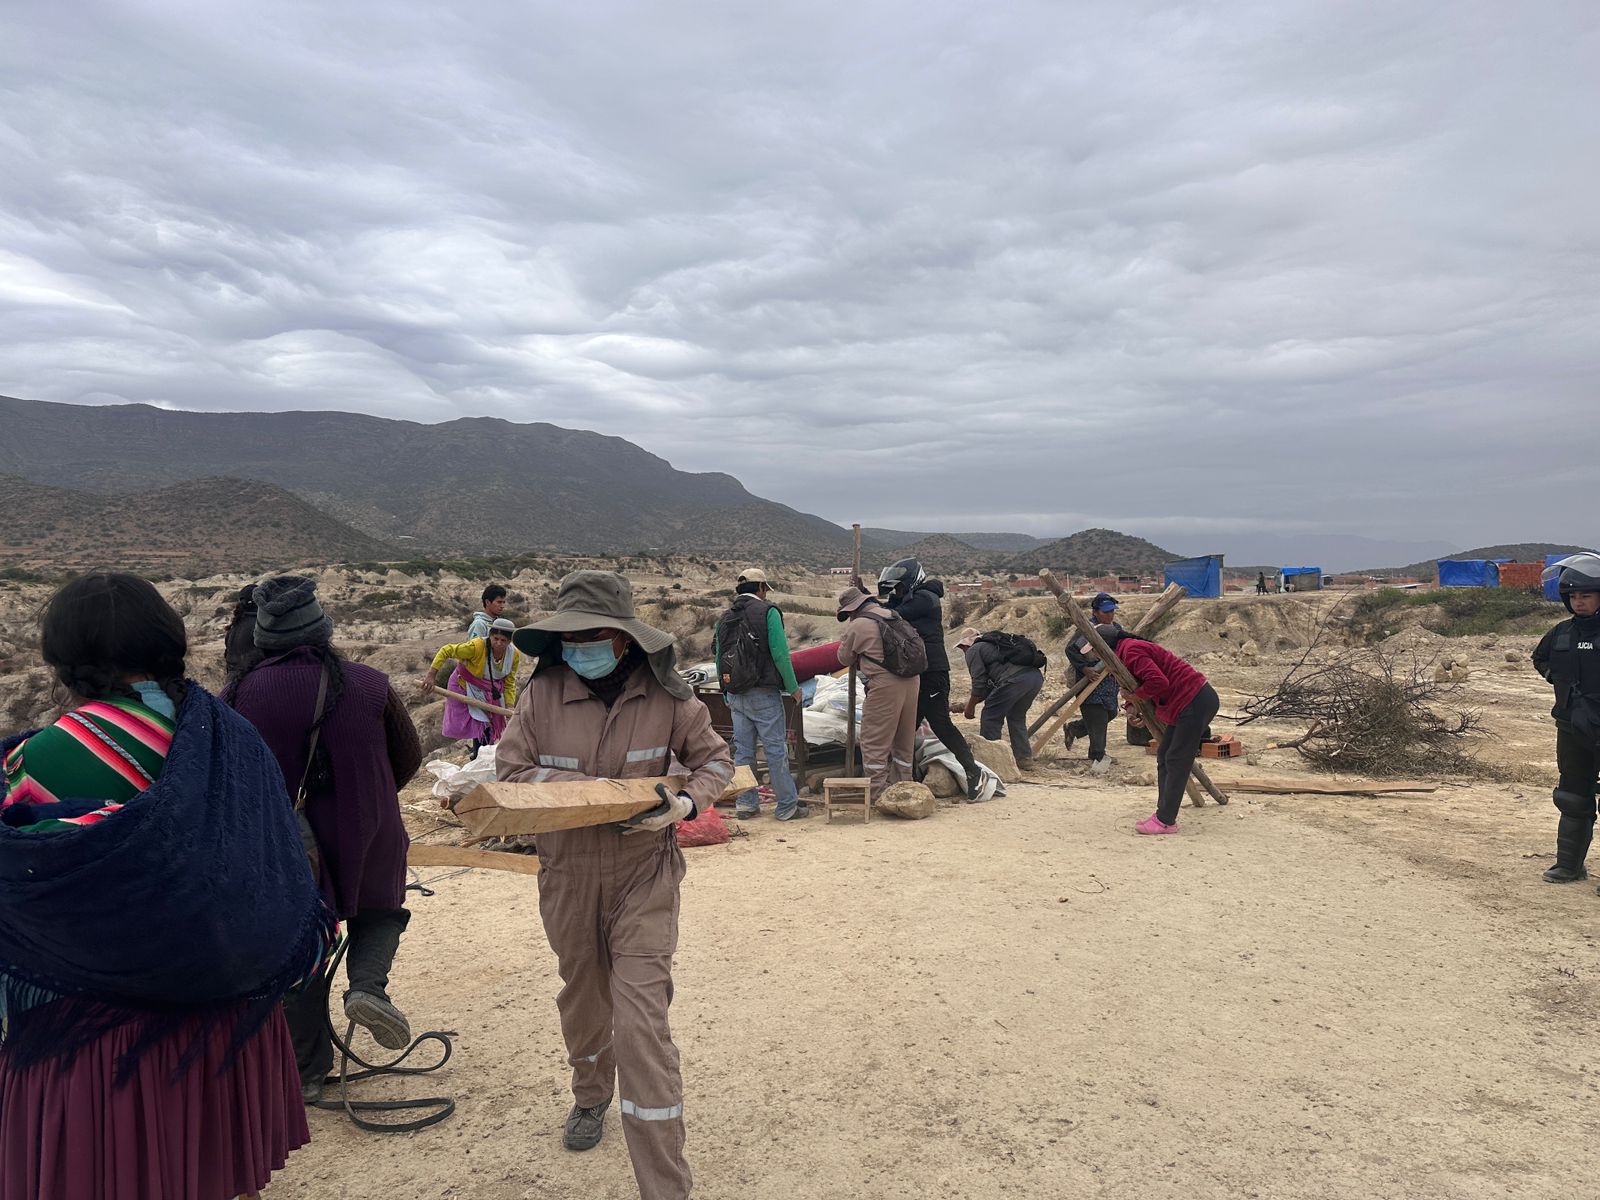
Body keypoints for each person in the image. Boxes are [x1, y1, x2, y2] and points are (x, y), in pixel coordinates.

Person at [0, 572, 332, 1200]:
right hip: (224, 1023)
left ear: (65, 661)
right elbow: (277, 869)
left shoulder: (36, 763)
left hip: (98, 1045)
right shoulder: (231, 741)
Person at [497, 571, 733, 1200]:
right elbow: (509, 770)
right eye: (570, 637)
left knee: (640, 1023)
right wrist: (579, 794)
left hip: (643, 875)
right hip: (568, 874)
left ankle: (665, 1185)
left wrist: (684, 804)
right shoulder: (541, 695)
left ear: (625, 639)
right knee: (583, 998)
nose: (581, 647)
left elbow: (716, 761)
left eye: (594, 636)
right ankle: (590, 1095)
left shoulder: (670, 698)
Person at [226, 575, 423, 1105]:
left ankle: (309, 1071)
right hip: (369, 832)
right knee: (381, 912)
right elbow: (409, 757)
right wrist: (372, 798)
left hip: (288, 846)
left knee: (303, 944)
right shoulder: (371, 684)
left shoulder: (241, 695)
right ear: (324, 630)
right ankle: (367, 988)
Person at [877, 558, 985, 800]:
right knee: (907, 727)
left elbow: (892, 615)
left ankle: (973, 771)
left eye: (900, 588)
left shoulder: (925, 598)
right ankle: (908, 778)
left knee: (939, 724)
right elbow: (893, 605)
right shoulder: (914, 597)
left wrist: (868, 605)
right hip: (919, 672)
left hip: (932, 673)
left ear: (911, 583)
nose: (898, 593)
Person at [1099, 627, 1219, 835]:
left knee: (1176, 758)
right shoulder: (1124, 654)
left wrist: (1137, 697)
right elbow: (1133, 685)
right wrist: (1131, 706)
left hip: (1194, 700)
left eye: (1094, 651)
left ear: (1104, 648)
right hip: (1187, 702)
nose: (1093, 656)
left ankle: (1166, 820)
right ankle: (1162, 815)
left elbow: (1158, 681)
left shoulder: (1132, 651)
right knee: (1166, 755)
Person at [713, 568, 808, 820]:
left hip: (735, 693)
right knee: (775, 749)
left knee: (743, 751)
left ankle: (746, 803)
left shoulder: (724, 618)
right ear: (762, 588)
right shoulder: (768, 612)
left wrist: (725, 690)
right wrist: (793, 687)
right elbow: (780, 654)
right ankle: (787, 806)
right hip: (763, 692)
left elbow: (718, 655)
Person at [1532, 552, 1600, 884]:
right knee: (1572, 797)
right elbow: (1540, 659)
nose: (1579, 601)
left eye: (1586, 595)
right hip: (1572, 729)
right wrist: (1562, 687)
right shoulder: (1560, 633)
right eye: (1573, 596)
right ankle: (1569, 866)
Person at [836, 586, 921, 799]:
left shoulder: (858, 625)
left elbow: (843, 659)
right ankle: (904, 784)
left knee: (875, 738)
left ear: (851, 609)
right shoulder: (893, 615)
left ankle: (877, 793)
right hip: (911, 680)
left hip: (884, 683)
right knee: (904, 736)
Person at [421, 617, 523, 758]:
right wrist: (431, 675)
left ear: (509, 641)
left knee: (491, 723)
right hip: (465, 685)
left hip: (491, 690)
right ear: (491, 635)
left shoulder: (514, 655)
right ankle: (479, 756)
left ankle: (484, 755)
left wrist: (510, 705)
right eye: (495, 638)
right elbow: (446, 650)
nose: (498, 643)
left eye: (503, 640)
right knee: (481, 723)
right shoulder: (477, 646)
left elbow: (509, 683)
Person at [955, 627, 1044, 770]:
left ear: (965, 644)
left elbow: (978, 683)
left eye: (961, 647)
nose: (963, 650)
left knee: (990, 716)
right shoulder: (995, 645)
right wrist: (966, 704)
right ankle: (1024, 759)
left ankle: (992, 762)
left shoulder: (973, 650)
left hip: (1014, 680)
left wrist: (970, 708)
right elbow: (990, 689)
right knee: (1016, 717)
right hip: (1034, 678)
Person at [1063, 593, 1122, 774]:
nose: (1110, 615)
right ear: (1095, 612)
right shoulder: (1087, 628)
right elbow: (1071, 649)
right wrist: (1084, 668)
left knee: (1110, 713)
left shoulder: (1116, 628)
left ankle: (1075, 728)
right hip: (1090, 679)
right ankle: (1097, 755)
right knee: (1097, 717)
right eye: (1106, 612)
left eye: (1112, 611)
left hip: (1109, 681)